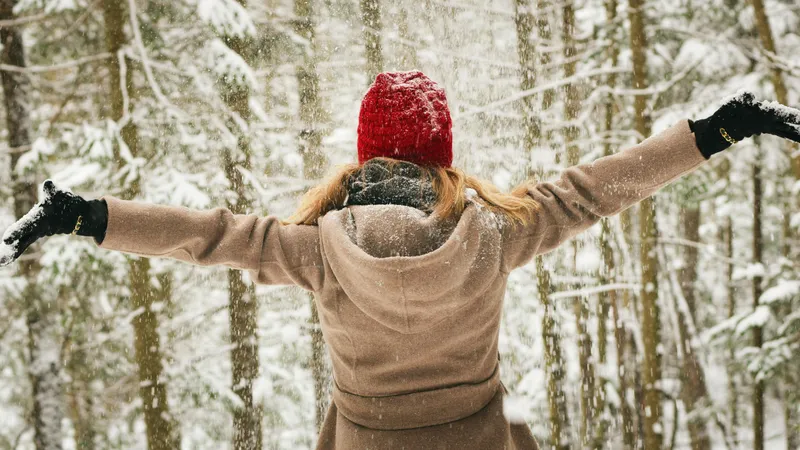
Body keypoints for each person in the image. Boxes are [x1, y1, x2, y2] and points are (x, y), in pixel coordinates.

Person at [2, 71, 799, 449]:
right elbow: (596, 191)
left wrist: (88, 216)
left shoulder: (320, 251)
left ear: (363, 157)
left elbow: (209, 235)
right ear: (441, 158)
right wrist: (717, 130)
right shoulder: (496, 231)